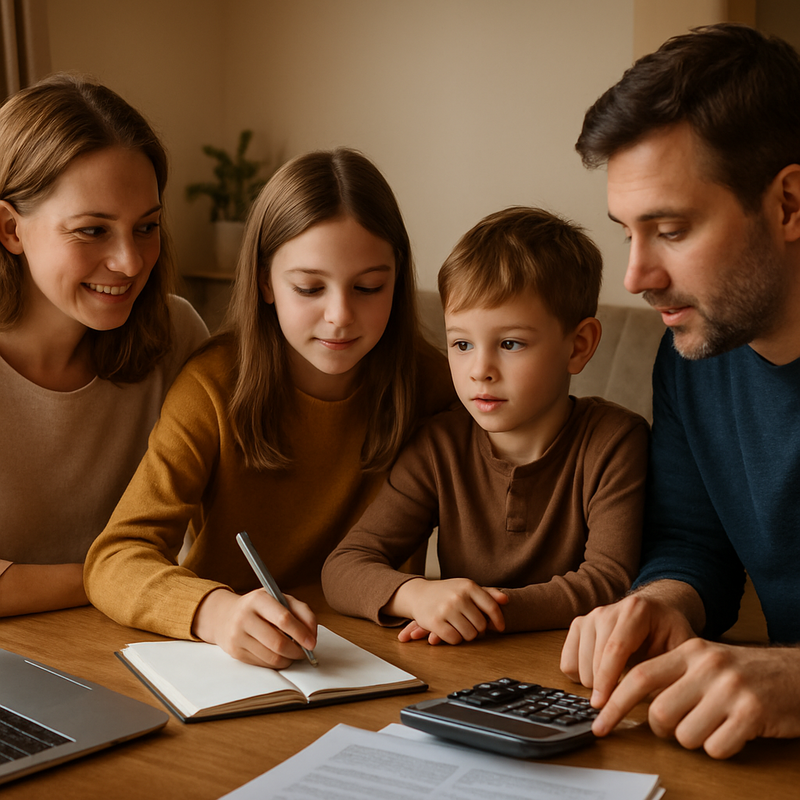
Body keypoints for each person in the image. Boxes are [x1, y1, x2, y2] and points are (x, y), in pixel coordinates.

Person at [84, 147, 455, 668]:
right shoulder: (213, 387)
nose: (340, 316)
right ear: (265, 282)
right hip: (237, 664)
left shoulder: (436, 383)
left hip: (389, 658)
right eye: (308, 287)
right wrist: (215, 612)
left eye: (370, 287)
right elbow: (115, 558)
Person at [559, 23, 800, 759]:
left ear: (789, 204)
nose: (635, 277)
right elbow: (695, 544)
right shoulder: (694, 359)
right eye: (627, 233)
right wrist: (662, 602)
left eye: (669, 229)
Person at [322, 207, 649, 645]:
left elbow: (609, 581)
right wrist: (415, 595)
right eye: (461, 343)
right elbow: (343, 567)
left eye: (510, 343)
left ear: (579, 345)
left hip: (574, 667)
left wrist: (479, 614)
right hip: (462, 664)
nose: (480, 370)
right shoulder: (439, 446)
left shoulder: (615, 441)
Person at [0, 74, 208, 618]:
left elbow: (225, 525)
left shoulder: (177, 336)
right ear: (10, 229)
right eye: (93, 230)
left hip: (139, 649)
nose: (131, 262)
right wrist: (125, 580)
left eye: (146, 227)